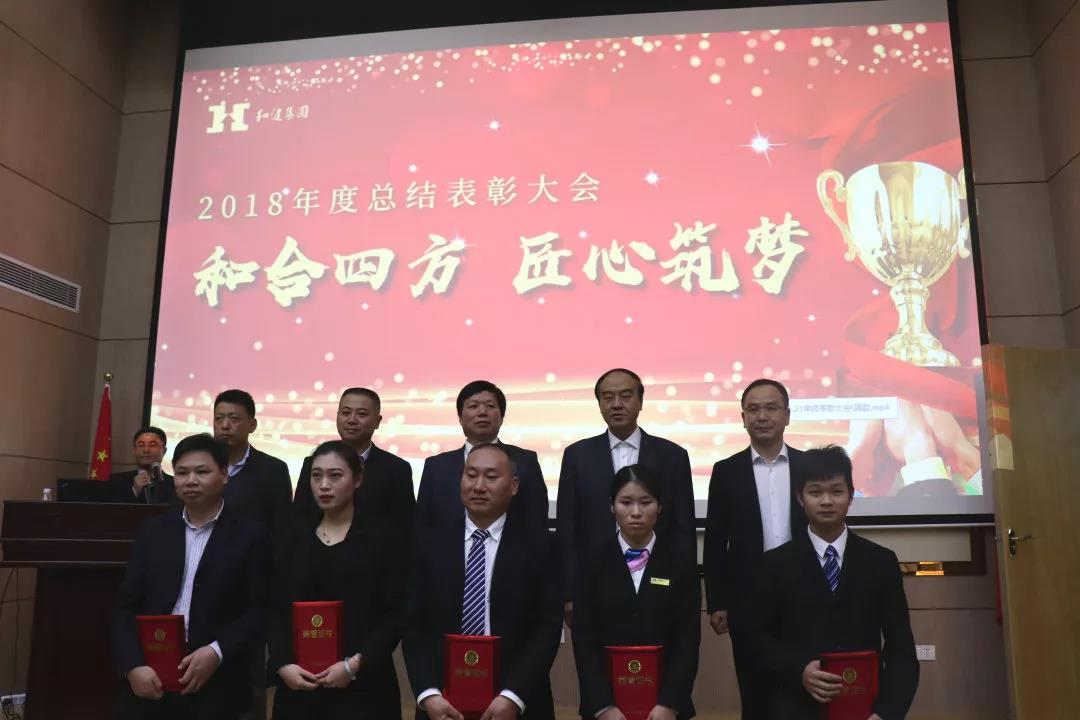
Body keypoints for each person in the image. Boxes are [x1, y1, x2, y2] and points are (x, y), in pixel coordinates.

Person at [744, 445, 919, 720]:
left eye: (836, 491)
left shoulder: (880, 562)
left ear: (851, 495)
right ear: (800, 497)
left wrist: (887, 713)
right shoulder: (774, 565)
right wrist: (799, 670)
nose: (826, 501)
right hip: (795, 708)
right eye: (815, 492)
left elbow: (901, 649)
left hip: (865, 710)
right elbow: (757, 641)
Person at [112, 433, 270, 720]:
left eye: (202, 472)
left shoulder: (250, 535)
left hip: (217, 684)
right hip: (150, 681)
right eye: (182, 473)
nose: (191, 480)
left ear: (224, 475)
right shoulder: (152, 532)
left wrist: (216, 651)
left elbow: (259, 610)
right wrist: (132, 666)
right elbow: (126, 608)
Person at [404, 443, 562, 720]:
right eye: (471, 475)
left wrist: (512, 696)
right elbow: (413, 625)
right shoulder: (429, 543)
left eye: (491, 477)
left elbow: (546, 629)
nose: (478, 486)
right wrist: (428, 694)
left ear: (513, 486)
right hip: (442, 700)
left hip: (516, 699)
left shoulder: (541, 546)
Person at [271, 441, 405, 720]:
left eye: (335, 476)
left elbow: (396, 613)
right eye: (316, 476)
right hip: (299, 686)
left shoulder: (384, 539)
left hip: (364, 687)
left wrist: (354, 665)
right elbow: (275, 608)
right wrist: (282, 663)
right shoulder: (292, 538)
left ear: (357, 479)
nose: (324, 485)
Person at [702, 378, 807, 720]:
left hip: (806, 591)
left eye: (771, 408)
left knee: (805, 685)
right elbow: (715, 541)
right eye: (753, 409)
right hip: (748, 598)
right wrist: (717, 601)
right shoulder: (726, 471)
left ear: (787, 415)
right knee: (755, 688)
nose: (762, 416)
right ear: (743, 418)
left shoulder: (809, 467)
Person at [556, 368, 695, 627]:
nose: (616, 404)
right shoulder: (577, 456)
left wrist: (686, 589)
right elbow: (568, 529)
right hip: (594, 584)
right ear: (599, 404)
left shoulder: (672, 456)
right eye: (608, 397)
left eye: (625, 396)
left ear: (640, 402)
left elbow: (683, 527)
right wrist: (569, 592)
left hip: (659, 585)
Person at [571, 464, 700, 720]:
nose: (636, 512)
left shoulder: (680, 562)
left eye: (646, 502)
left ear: (659, 506)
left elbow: (687, 641)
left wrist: (669, 703)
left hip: (666, 708)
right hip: (606, 708)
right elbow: (584, 642)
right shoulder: (592, 562)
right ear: (612, 506)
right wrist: (603, 706)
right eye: (626, 502)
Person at [212, 388, 292, 718]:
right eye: (219, 418)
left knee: (249, 675)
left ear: (252, 424)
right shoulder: (201, 466)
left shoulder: (272, 470)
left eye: (234, 418)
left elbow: (282, 532)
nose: (225, 425)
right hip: (205, 583)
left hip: (251, 587)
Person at [415, 380, 547, 531]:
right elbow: (423, 524)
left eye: (490, 406)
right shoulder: (436, 466)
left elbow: (537, 520)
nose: (482, 412)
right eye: (473, 406)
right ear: (460, 418)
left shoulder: (525, 461)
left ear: (501, 417)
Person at [292, 388, 415, 535]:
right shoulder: (313, 463)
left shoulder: (396, 469)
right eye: (345, 413)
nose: (351, 420)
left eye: (361, 414)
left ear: (377, 421)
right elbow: (299, 518)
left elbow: (405, 526)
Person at [107, 426, 176, 504]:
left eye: (152, 445)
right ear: (134, 450)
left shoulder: (175, 484)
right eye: (141, 445)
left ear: (164, 451)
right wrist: (134, 491)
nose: (146, 450)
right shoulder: (116, 481)